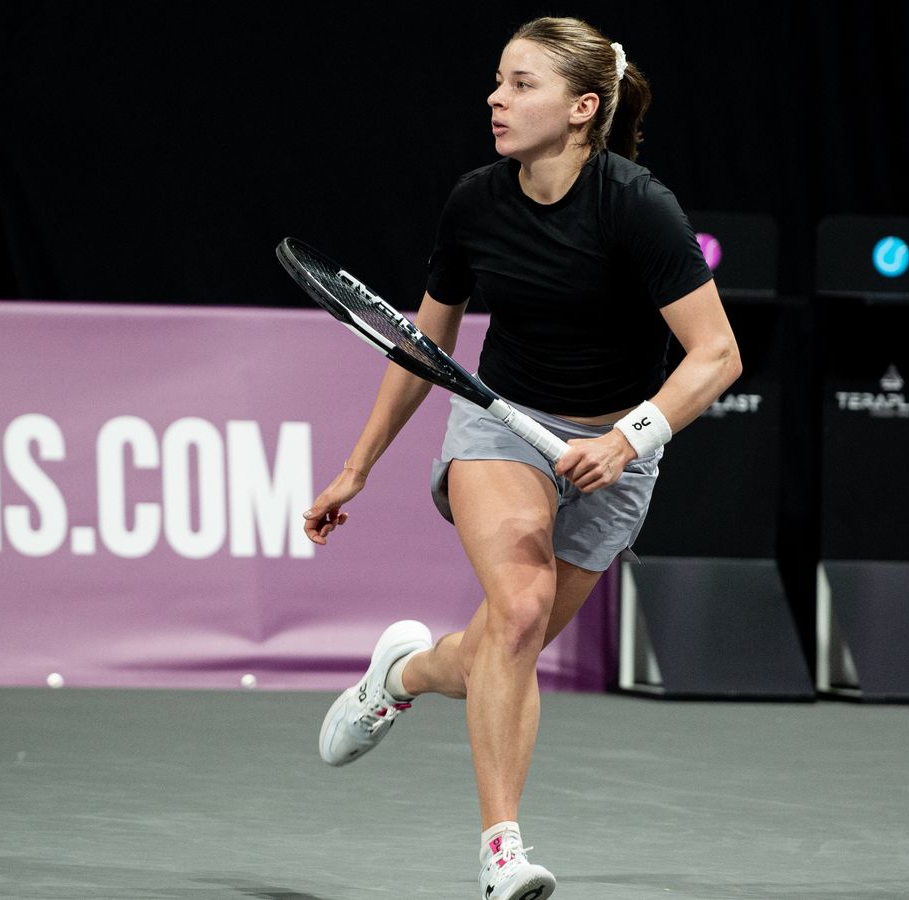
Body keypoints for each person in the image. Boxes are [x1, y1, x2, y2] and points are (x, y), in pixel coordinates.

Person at [302, 15, 742, 900]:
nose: (497, 99)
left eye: (522, 84)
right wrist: (358, 466)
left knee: (505, 642)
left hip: (619, 444)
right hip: (503, 428)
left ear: (583, 109)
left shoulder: (637, 206)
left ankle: (403, 673)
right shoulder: (475, 202)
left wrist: (629, 439)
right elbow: (425, 347)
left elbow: (718, 355)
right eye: (498, 82)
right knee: (524, 603)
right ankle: (502, 853)